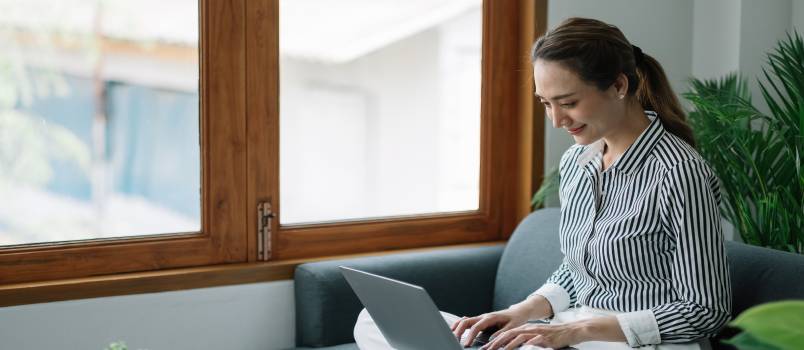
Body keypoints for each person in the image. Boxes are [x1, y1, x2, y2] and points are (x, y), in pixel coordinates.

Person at [354, 17, 732, 350]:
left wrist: (575, 330)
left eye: (568, 102)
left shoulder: (680, 173)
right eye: (546, 103)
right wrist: (520, 312)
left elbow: (705, 310)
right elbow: (577, 269)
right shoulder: (577, 163)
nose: (556, 120)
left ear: (618, 85)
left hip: (640, 341)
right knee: (372, 322)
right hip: (574, 330)